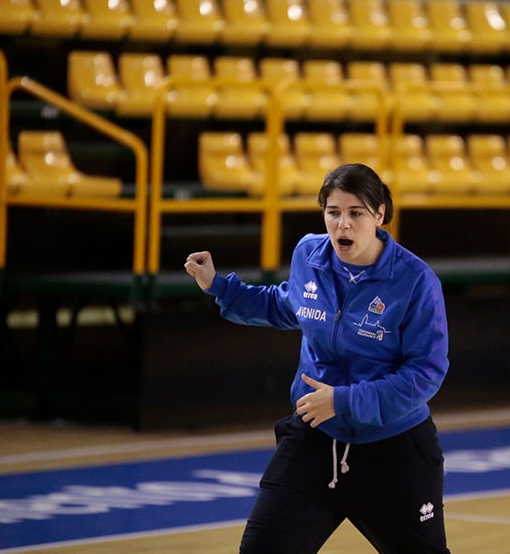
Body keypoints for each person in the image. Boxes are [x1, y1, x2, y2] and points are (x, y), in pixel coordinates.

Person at [184, 162, 451, 554]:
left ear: (379, 215)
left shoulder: (415, 280)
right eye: (333, 212)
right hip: (314, 438)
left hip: (394, 451)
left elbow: (425, 373)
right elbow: (285, 304)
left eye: (356, 213)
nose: (343, 224)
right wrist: (219, 287)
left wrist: (343, 401)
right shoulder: (309, 255)